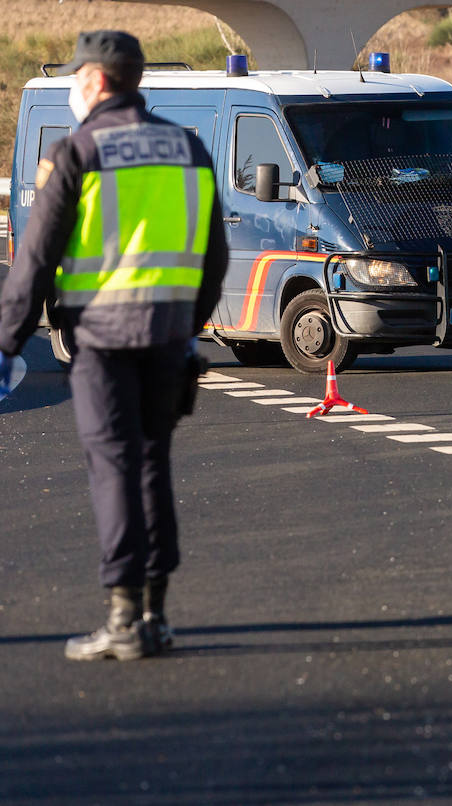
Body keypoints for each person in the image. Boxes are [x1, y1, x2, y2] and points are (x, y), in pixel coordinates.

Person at [0, 30, 228, 661]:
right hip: (168, 337)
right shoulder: (189, 149)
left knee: (115, 468)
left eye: (77, 77)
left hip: (101, 337)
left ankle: (124, 618)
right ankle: (155, 615)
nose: (75, 87)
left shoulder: (80, 151)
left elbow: (37, 259)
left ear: (97, 81)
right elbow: (213, 257)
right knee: (153, 464)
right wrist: (191, 325)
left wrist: (7, 342)